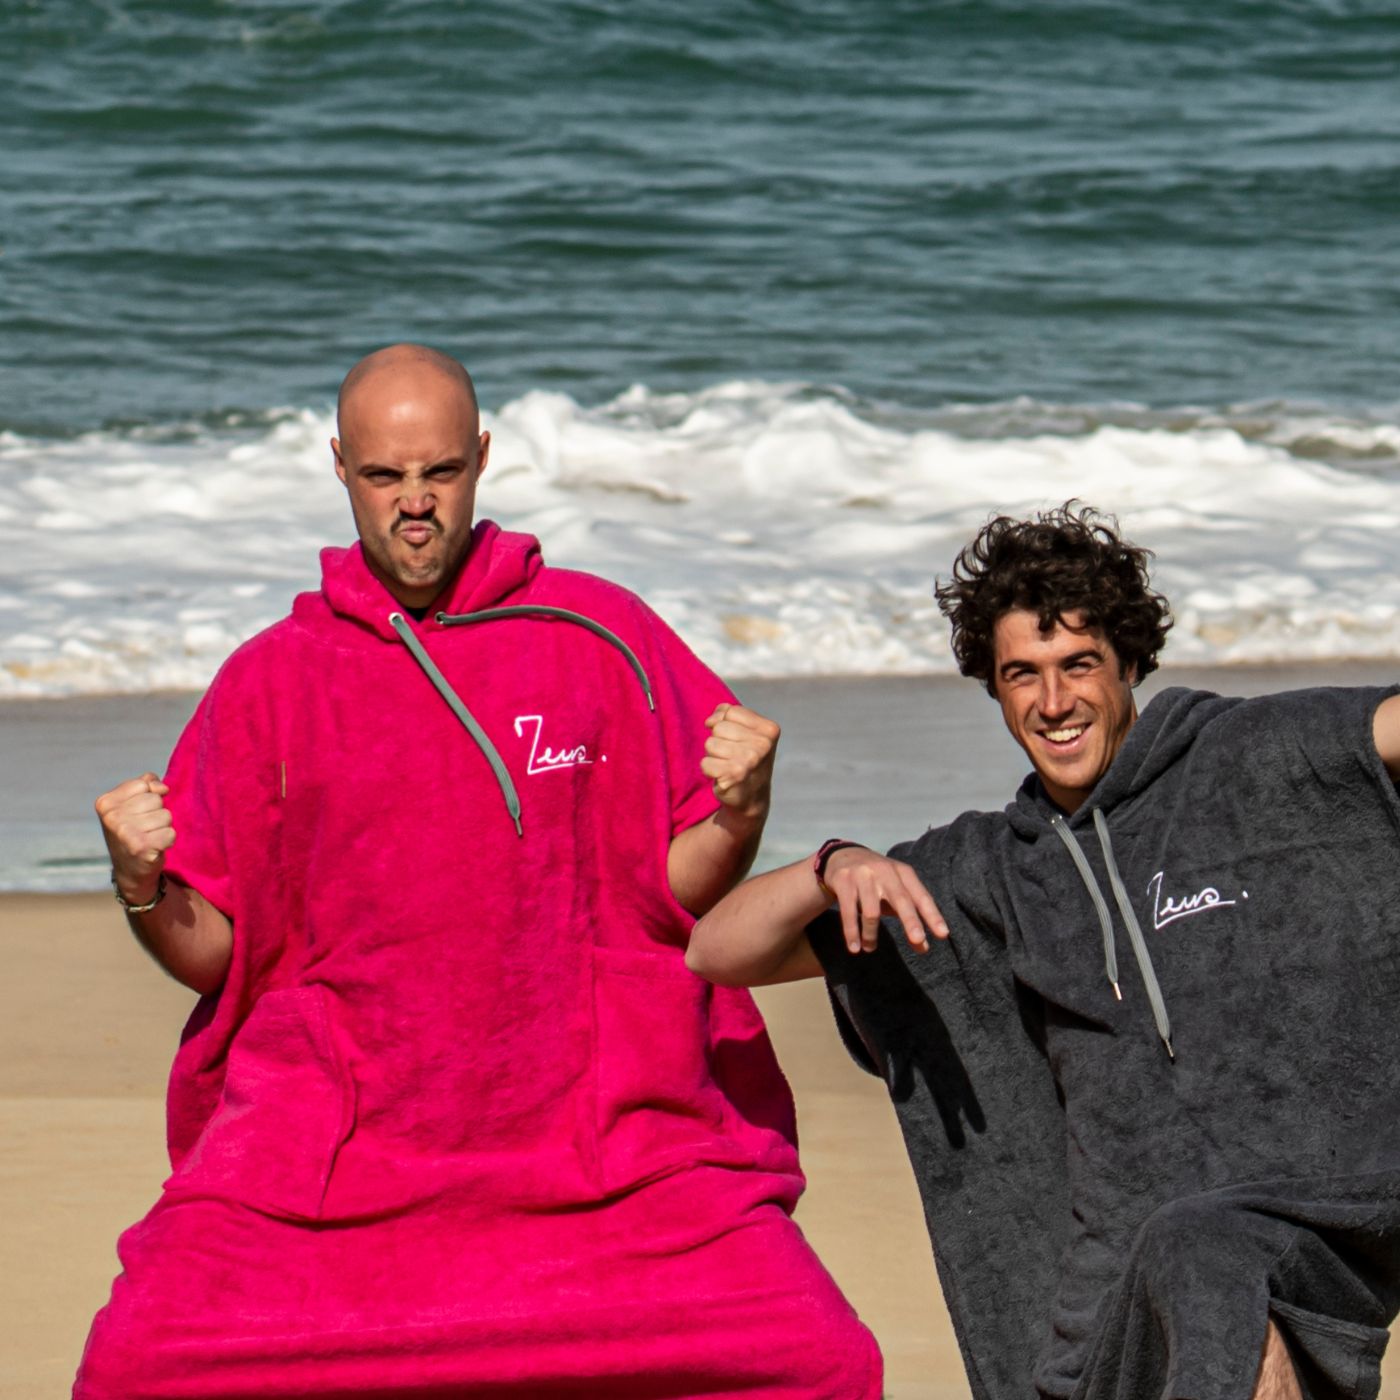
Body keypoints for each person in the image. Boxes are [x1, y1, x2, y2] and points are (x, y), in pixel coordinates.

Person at [77, 344, 881, 1399]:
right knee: (135, 1366)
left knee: (816, 1356)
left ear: (483, 459)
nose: (414, 502)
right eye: (384, 475)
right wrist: (142, 882)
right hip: (330, 1157)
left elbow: (678, 894)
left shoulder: (603, 632)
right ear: (338, 467)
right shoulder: (273, 677)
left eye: (440, 471)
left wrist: (743, 810)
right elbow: (217, 955)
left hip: (609, 1151)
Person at [687, 504, 1400, 1400]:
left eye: (1079, 666)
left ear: (1131, 661)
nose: (1053, 702)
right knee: (1196, 1252)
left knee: (1210, 1246)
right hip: (1121, 1286)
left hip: (1323, 1218)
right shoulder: (993, 869)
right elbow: (718, 949)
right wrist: (835, 864)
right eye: (1022, 674)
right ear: (994, 688)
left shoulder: (1248, 759)